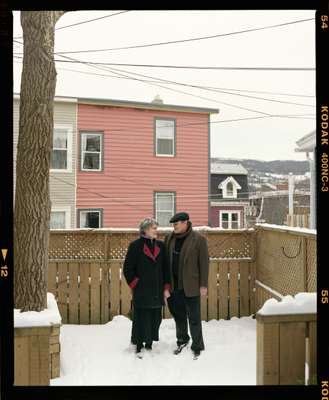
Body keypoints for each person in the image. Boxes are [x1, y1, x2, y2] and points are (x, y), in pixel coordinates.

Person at [123, 217, 171, 358]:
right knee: (141, 317)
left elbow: (166, 268)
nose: (157, 230)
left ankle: (149, 343)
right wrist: (136, 283)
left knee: (155, 317)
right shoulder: (135, 246)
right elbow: (127, 269)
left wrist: (166, 287)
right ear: (145, 230)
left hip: (157, 290)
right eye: (154, 228)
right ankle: (139, 344)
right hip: (142, 290)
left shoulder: (161, 246)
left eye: (156, 228)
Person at [164, 212, 209, 359]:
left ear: (185, 223)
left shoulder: (199, 240)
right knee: (179, 316)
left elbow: (204, 264)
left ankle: (197, 345)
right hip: (173, 286)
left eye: (176, 224)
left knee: (194, 317)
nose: (174, 227)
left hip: (191, 286)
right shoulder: (169, 238)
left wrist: (203, 285)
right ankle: (182, 340)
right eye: (173, 224)